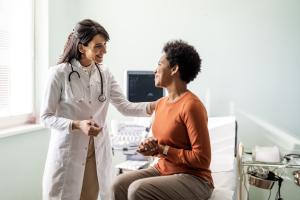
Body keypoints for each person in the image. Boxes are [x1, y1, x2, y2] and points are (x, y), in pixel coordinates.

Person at [40, 19, 156, 200]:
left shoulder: (105, 73)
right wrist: (77, 125)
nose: (104, 51)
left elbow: (125, 107)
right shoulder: (59, 74)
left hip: (96, 153)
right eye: (98, 46)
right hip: (69, 153)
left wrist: (158, 105)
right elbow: (45, 117)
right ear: (81, 47)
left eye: (105, 45)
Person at [111, 40, 214, 200]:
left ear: (174, 69)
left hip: (194, 178)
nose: (155, 70)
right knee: (117, 185)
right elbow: (162, 142)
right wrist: (150, 147)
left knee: (137, 190)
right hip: (163, 169)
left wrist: (162, 150)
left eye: (159, 64)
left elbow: (202, 159)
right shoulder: (161, 104)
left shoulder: (192, 106)